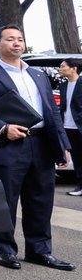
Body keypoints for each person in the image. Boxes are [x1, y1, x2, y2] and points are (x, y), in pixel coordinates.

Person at [0, 25, 74, 271]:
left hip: (41, 145)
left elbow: (52, 112)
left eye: (20, 39)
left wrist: (63, 144)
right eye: (10, 39)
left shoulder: (37, 75)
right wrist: (3, 128)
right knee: (5, 201)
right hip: (8, 145)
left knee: (41, 200)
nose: (17, 43)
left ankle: (40, 251)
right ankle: (6, 251)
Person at [62, 58, 82, 196]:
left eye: (63, 66)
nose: (60, 69)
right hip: (68, 127)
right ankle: (80, 186)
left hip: (80, 126)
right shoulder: (63, 86)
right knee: (77, 158)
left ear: (73, 68)